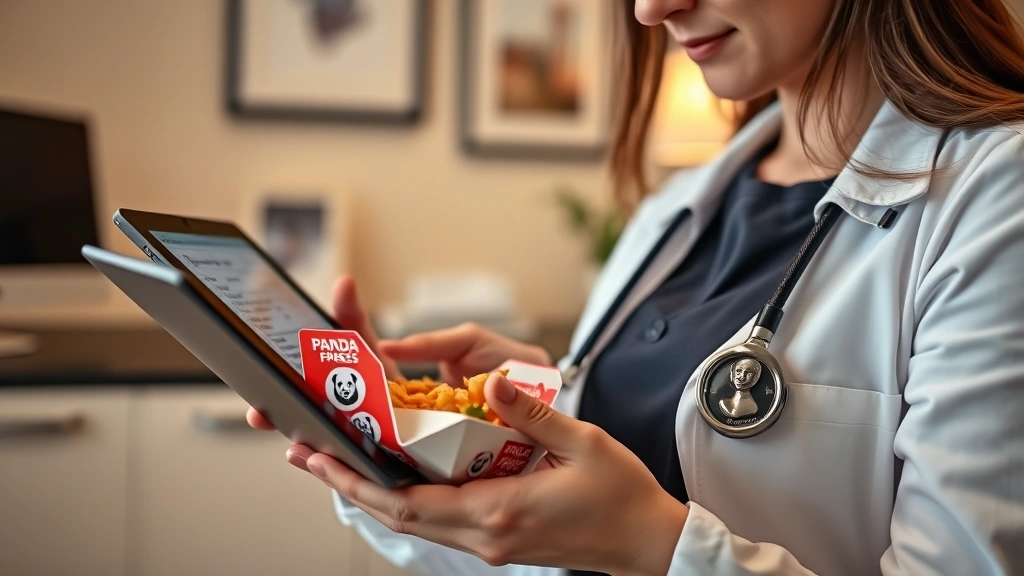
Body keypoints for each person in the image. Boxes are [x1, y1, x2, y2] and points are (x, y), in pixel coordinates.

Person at [248, 0, 1024, 574]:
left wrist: (653, 544)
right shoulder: (671, 215)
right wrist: (413, 444)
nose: (653, 10)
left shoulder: (997, 195)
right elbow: (536, 550)